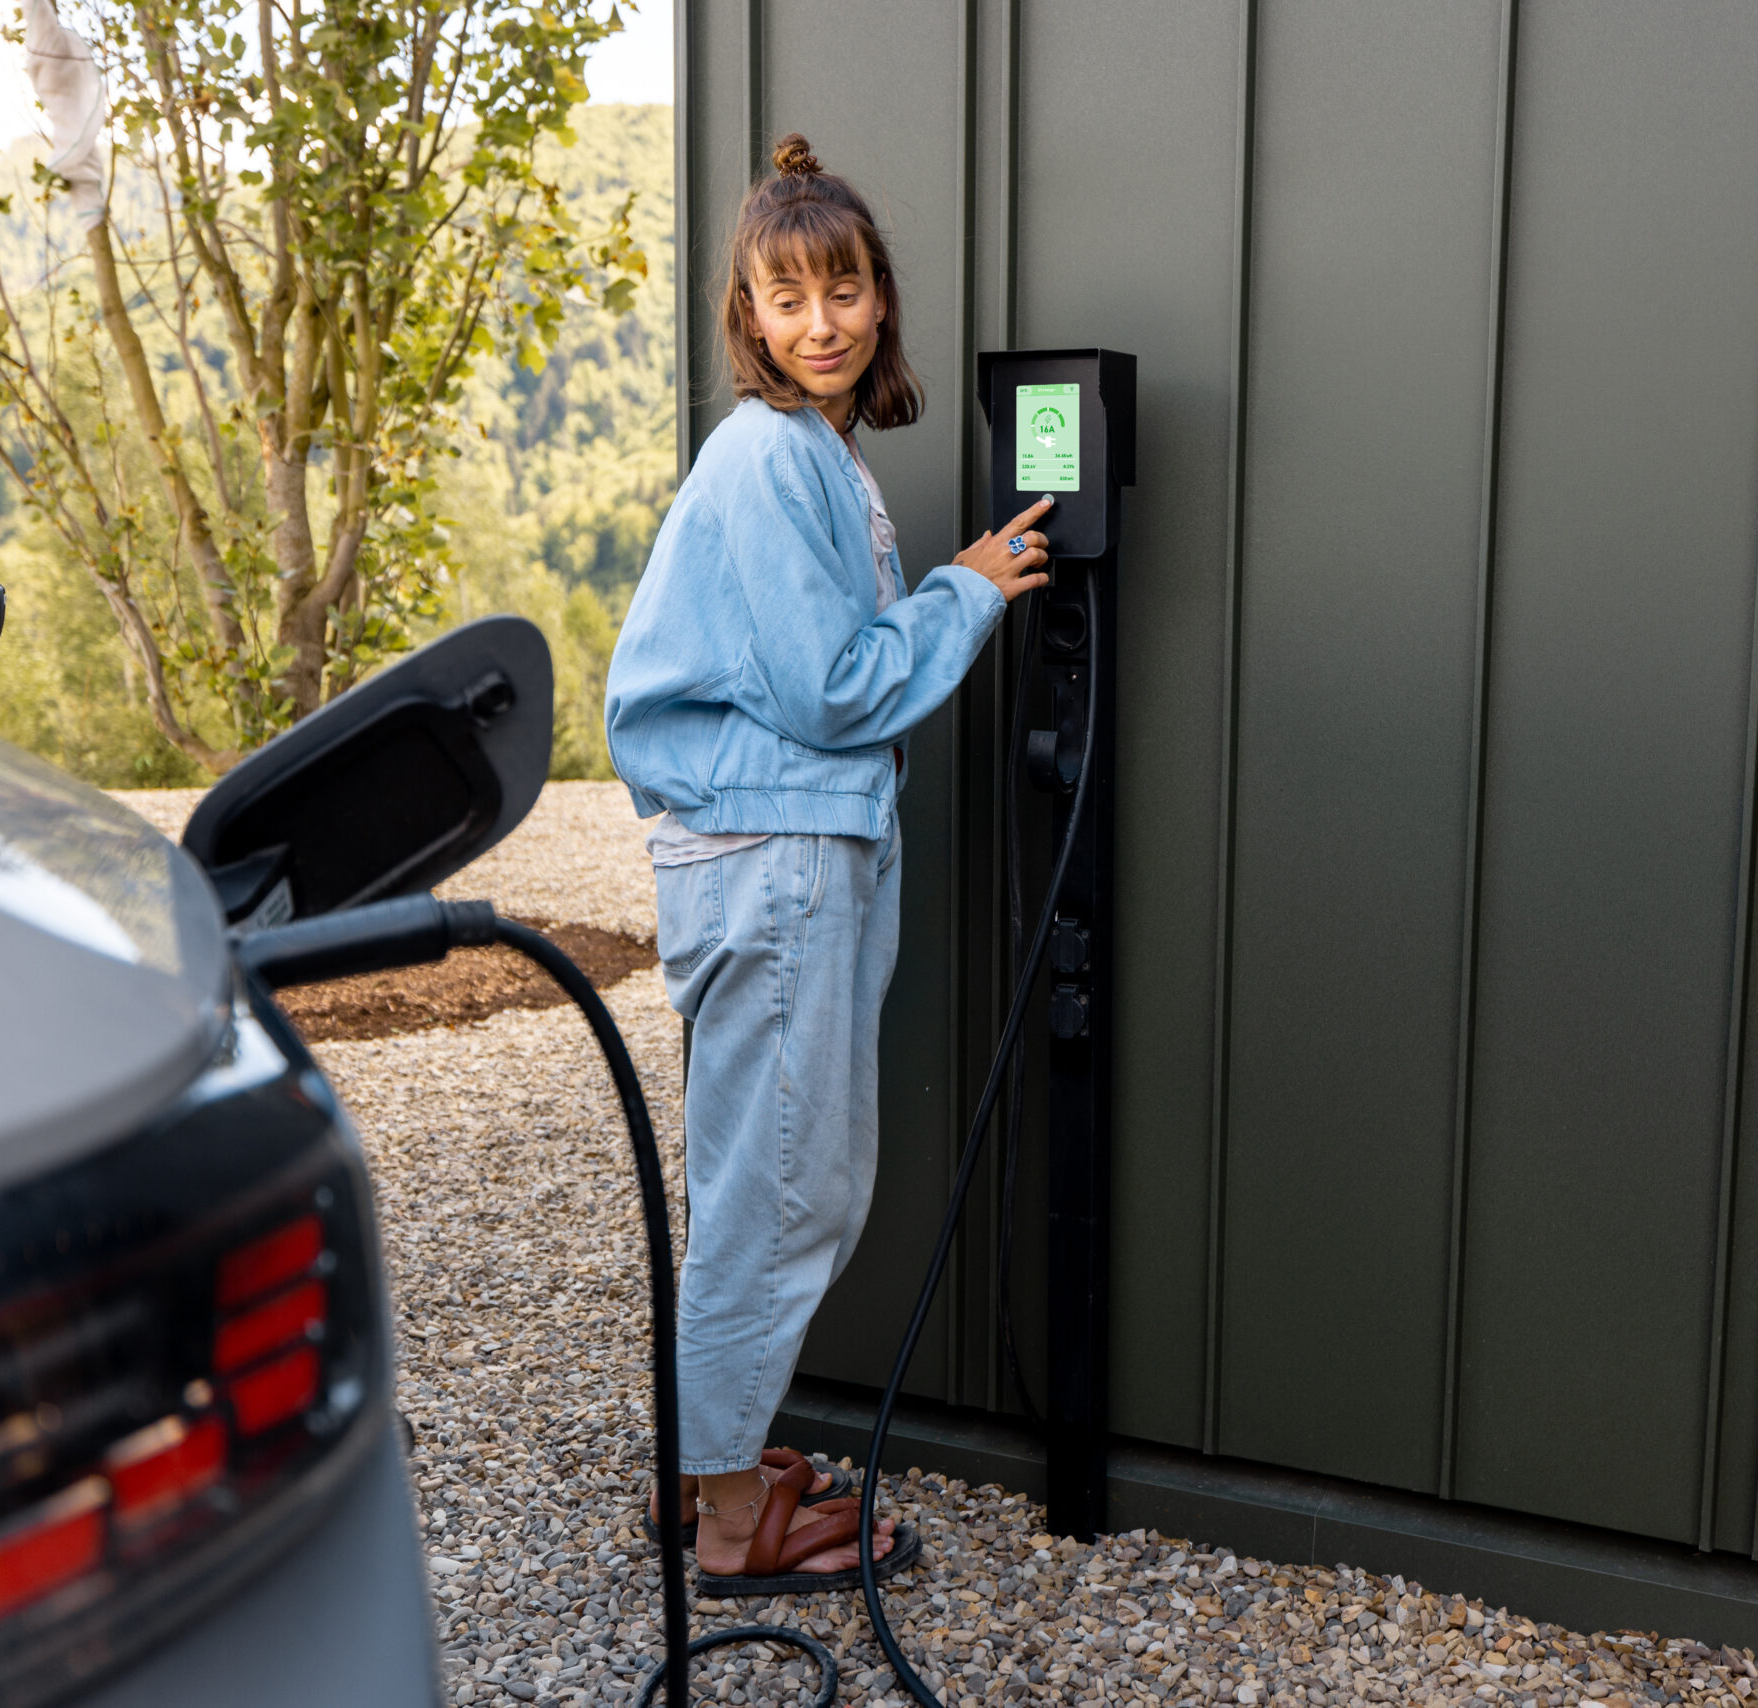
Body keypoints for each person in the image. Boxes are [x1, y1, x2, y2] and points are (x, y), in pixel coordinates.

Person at [604, 133, 1055, 1595]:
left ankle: (717, 1464)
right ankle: (729, 1527)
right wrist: (966, 592)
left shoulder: (813, 458)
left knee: (767, 1174)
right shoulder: (767, 458)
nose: (821, 321)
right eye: (786, 296)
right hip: (777, 858)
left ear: (879, 301)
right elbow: (834, 691)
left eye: (844, 288)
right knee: (785, 1192)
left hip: (783, 850)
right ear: (747, 314)